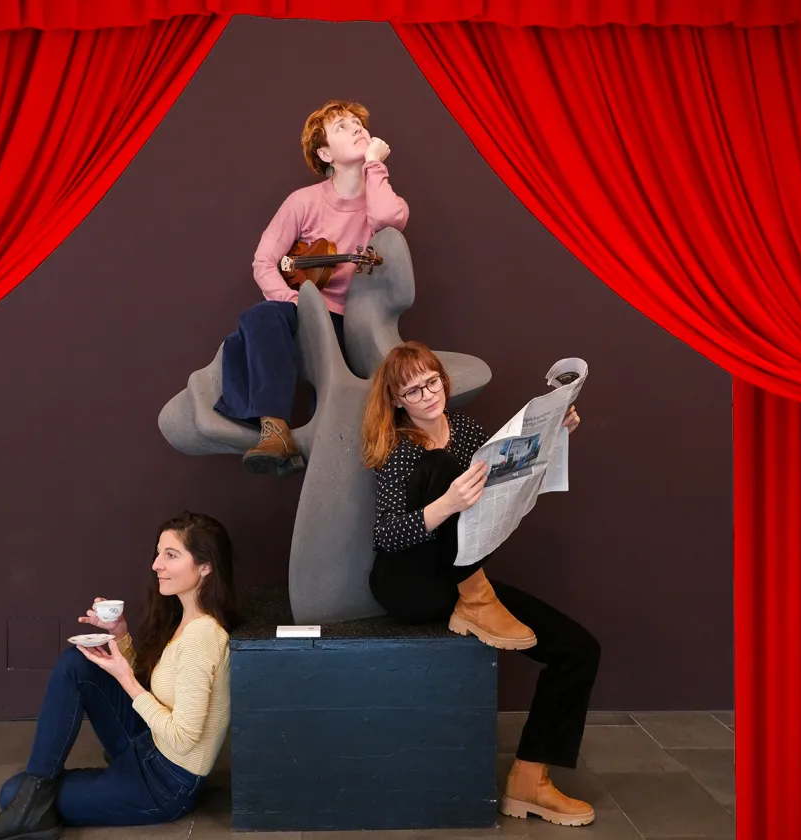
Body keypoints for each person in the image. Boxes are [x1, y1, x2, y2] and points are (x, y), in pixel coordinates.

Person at [360, 342, 600, 827]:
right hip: (406, 584)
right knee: (444, 467)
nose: (427, 395)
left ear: (442, 380)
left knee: (578, 648)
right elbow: (384, 535)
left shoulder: (468, 430)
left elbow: (509, 480)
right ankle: (474, 598)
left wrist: (556, 435)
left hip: (462, 580)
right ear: (398, 401)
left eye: (432, 381)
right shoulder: (399, 448)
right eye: (413, 390)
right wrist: (446, 504)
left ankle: (529, 779)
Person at [0, 512, 239, 839]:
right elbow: (163, 689)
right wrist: (119, 633)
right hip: (148, 745)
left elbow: (183, 738)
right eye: (158, 553)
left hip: (165, 785)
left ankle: (31, 806)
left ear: (205, 566)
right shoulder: (185, 619)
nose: (156, 565)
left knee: (12, 793)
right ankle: (33, 801)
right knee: (76, 665)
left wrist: (125, 679)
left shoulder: (203, 636)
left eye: (171, 555)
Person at [215, 99, 410, 476]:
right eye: (342, 127)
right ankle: (275, 430)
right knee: (260, 317)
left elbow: (387, 219)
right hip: (302, 312)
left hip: (350, 324)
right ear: (325, 154)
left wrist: (374, 164)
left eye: (357, 123)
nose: (356, 128)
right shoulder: (302, 201)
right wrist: (296, 301)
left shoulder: (384, 199)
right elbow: (264, 262)